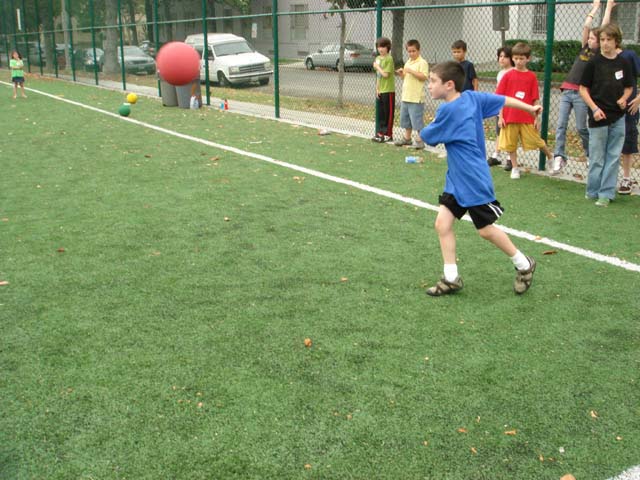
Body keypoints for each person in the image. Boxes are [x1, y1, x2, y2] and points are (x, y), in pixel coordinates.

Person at [419, 61, 538, 297]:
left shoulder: (447, 111)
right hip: (457, 180)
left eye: (432, 81)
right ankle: (451, 278)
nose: (429, 85)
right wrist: (529, 108)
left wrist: (423, 130)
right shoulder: (472, 98)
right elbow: (503, 100)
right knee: (442, 224)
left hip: (473, 179)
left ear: (449, 85)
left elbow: (427, 136)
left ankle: (524, 265)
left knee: (485, 230)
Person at [550, 0, 614, 175]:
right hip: (567, 91)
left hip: (580, 93)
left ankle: (590, 154)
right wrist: (595, 7)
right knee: (561, 126)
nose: (590, 40)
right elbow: (586, 26)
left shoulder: (599, 55)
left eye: (593, 38)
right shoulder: (584, 49)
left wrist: (608, 7)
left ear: (600, 42)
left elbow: (604, 28)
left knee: (581, 128)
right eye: (590, 38)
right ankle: (559, 157)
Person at [579, 23, 633, 206]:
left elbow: (629, 87)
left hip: (618, 117)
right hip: (598, 117)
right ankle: (592, 191)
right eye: (602, 39)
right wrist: (594, 109)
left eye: (609, 39)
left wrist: (624, 98)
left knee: (613, 156)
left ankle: (606, 193)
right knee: (597, 157)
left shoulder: (623, 63)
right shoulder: (593, 63)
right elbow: (583, 89)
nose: (605, 43)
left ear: (616, 41)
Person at [496, 42, 553, 179]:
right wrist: (501, 116)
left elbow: (535, 99)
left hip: (527, 117)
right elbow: (500, 98)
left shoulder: (531, 76)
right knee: (510, 144)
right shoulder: (507, 76)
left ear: (528, 58)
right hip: (509, 117)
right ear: (512, 58)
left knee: (537, 140)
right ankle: (515, 168)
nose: (518, 61)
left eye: (521, 58)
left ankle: (551, 158)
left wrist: (536, 118)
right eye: (516, 58)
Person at [394, 39, 429, 150]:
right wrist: (401, 74)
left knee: (416, 120)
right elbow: (405, 77)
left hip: (416, 97)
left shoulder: (422, 62)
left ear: (419, 50)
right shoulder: (408, 62)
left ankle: (420, 140)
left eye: (414, 51)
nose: (411, 53)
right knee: (406, 119)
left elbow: (424, 77)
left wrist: (411, 71)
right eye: (409, 51)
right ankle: (407, 138)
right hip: (406, 96)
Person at [616, 45, 640, 194]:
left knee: (627, 142)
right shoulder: (602, 58)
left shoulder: (629, 55)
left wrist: (638, 98)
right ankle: (607, 177)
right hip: (611, 107)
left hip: (629, 107)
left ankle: (626, 178)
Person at [487, 46, 514, 167]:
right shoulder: (500, 73)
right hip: (500, 106)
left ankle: (510, 158)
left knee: (509, 132)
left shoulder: (513, 72)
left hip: (509, 107)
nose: (502, 59)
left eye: (505, 57)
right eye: (500, 56)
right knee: (499, 131)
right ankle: (496, 155)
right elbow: (498, 91)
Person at [372, 37, 395, 143]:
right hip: (381, 90)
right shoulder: (378, 58)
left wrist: (377, 67)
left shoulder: (389, 59)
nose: (380, 49)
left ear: (388, 47)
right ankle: (380, 133)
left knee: (388, 113)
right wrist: (377, 89)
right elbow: (379, 76)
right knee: (381, 113)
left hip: (388, 90)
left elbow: (385, 75)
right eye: (379, 47)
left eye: (383, 47)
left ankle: (388, 134)